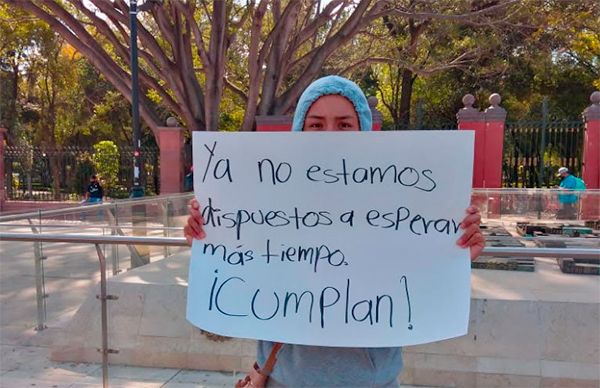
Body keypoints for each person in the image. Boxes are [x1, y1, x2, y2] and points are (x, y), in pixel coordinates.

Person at [184, 76, 484, 387]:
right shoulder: (263, 208)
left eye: (343, 124)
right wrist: (209, 245)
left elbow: (419, 299)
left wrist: (454, 255)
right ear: (299, 131)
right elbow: (217, 328)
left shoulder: (398, 207)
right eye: (316, 124)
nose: (330, 135)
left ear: (363, 130)